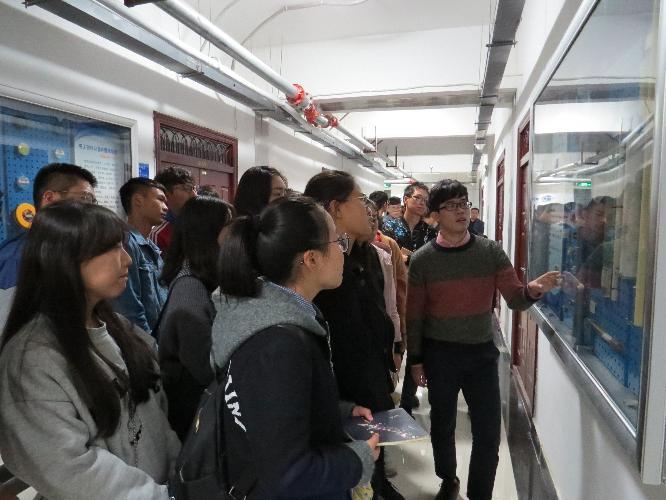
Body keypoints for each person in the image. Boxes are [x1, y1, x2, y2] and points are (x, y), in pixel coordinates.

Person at [0, 201, 180, 500]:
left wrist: (179, 479)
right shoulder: (31, 360)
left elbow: (156, 418)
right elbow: (69, 469)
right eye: (111, 249)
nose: (126, 260)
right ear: (65, 259)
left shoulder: (121, 329)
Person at [211, 196, 378, 499]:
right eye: (337, 241)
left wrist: (337, 412)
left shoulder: (275, 316)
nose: (343, 250)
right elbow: (289, 474)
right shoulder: (278, 343)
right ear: (311, 259)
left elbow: (272, 408)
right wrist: (357, 460)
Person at [406, 179, 560, 500]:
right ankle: (448, 477)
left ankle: (479, 494)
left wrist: (533, 289)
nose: (461, 211)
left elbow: (515, 299)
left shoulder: (489, 251)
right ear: (435, 215)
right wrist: (416, 360)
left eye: (463, 203)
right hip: (440, 355)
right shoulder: (423, 259)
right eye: (451, 206)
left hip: (481, 356)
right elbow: (415, 314)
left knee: (488, 434)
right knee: (443, 424)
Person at [304, 171, 404, 500]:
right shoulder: (321, 270)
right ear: (335, 208)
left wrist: (392, 350)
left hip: (368, 382)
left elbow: (378, 314)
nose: (369, 210)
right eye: (361, 201)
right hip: (344, 392)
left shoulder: (366, 256)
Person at [157, 196, 234, 440]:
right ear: (207, 233)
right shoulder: (190, 291)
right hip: (192, 412)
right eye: (228, 226)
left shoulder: (206, 279)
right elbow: (205, 367)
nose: (234, 234)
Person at [0, 162, 97, 291]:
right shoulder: (17, 259)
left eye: (93, 201)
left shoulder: (66, 248)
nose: (92, 209)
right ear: (49, 198)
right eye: (85, 198)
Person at [113, 178, 169, 335]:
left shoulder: (150, 246)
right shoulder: (126, 243)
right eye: (160, 199)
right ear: (138, 200)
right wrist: (148, 345)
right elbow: (128, 309)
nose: (166, 207)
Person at [382, 182, 436, 264]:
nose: (422, 203)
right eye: (418, 198)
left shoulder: (430, 230)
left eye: (425, 200)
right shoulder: (390, 226)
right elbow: (388, 255)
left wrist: (407, 258)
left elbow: (432, 258)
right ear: (405, 199)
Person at [149, 167, 197, 253]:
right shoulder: (159, 234)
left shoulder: (201, 223)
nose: (194, 195)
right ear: (166, 193)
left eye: (194, 188)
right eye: (186, 188)